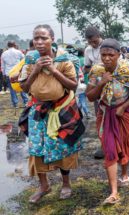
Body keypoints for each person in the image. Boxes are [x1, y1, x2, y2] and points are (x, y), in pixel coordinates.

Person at [18, 24, 85, 203]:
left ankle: (65, 184)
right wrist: (37, 69)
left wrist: (54, 70)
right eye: (36, 38)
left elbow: (73, 85)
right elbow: (24, 87)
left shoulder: (63, 59)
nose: (39, 42)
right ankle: (44, 186)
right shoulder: (30, 60)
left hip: (61, 109)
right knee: (36, 148)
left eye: (44, 38)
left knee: (63, 147)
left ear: (52, 40)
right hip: (38, 111)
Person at [86, 39, 129, 205]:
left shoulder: (127, 69)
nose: (107, 58)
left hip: (124, 113)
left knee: (123, 145)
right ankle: (114, 192)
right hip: (105, 112)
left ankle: (124, 172)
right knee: (109, 148)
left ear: (118, 54)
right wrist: (101, 83)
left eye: (111, 55)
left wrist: (124, 107)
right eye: (103, 55)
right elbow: (90, 96)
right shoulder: (97, 70)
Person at [84, 26, 104, 159]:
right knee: (100, 114)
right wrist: (93, 71)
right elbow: (86, 67)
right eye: (90, 42)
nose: (93, 44)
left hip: (112, 84)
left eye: (94, 41)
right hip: (97, 85)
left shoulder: (108, 45)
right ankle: (103, 144)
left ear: (99, 35)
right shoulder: (88, 50)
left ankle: (118, 144)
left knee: (115, 113)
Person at [1, 41, 28, 107]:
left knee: (12, 89)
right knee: (22, 87)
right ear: (14, 45)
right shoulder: (19, 52)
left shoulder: (4, 53)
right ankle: (26, 102)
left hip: (9, 73)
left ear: (8, 45)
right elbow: (24, 61)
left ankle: (15, 104)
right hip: (18, 72)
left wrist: (4, 74)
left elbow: (3, 66)